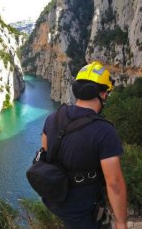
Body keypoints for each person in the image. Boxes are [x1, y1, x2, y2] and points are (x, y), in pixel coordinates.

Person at [41, 61, 128, 229]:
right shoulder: (104, 131)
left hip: (56, 201)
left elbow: (46, 154)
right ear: (103, 94)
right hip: (83, 209)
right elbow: (115, 184)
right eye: (107, 93)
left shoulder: (53, 118)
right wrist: (121, 222)